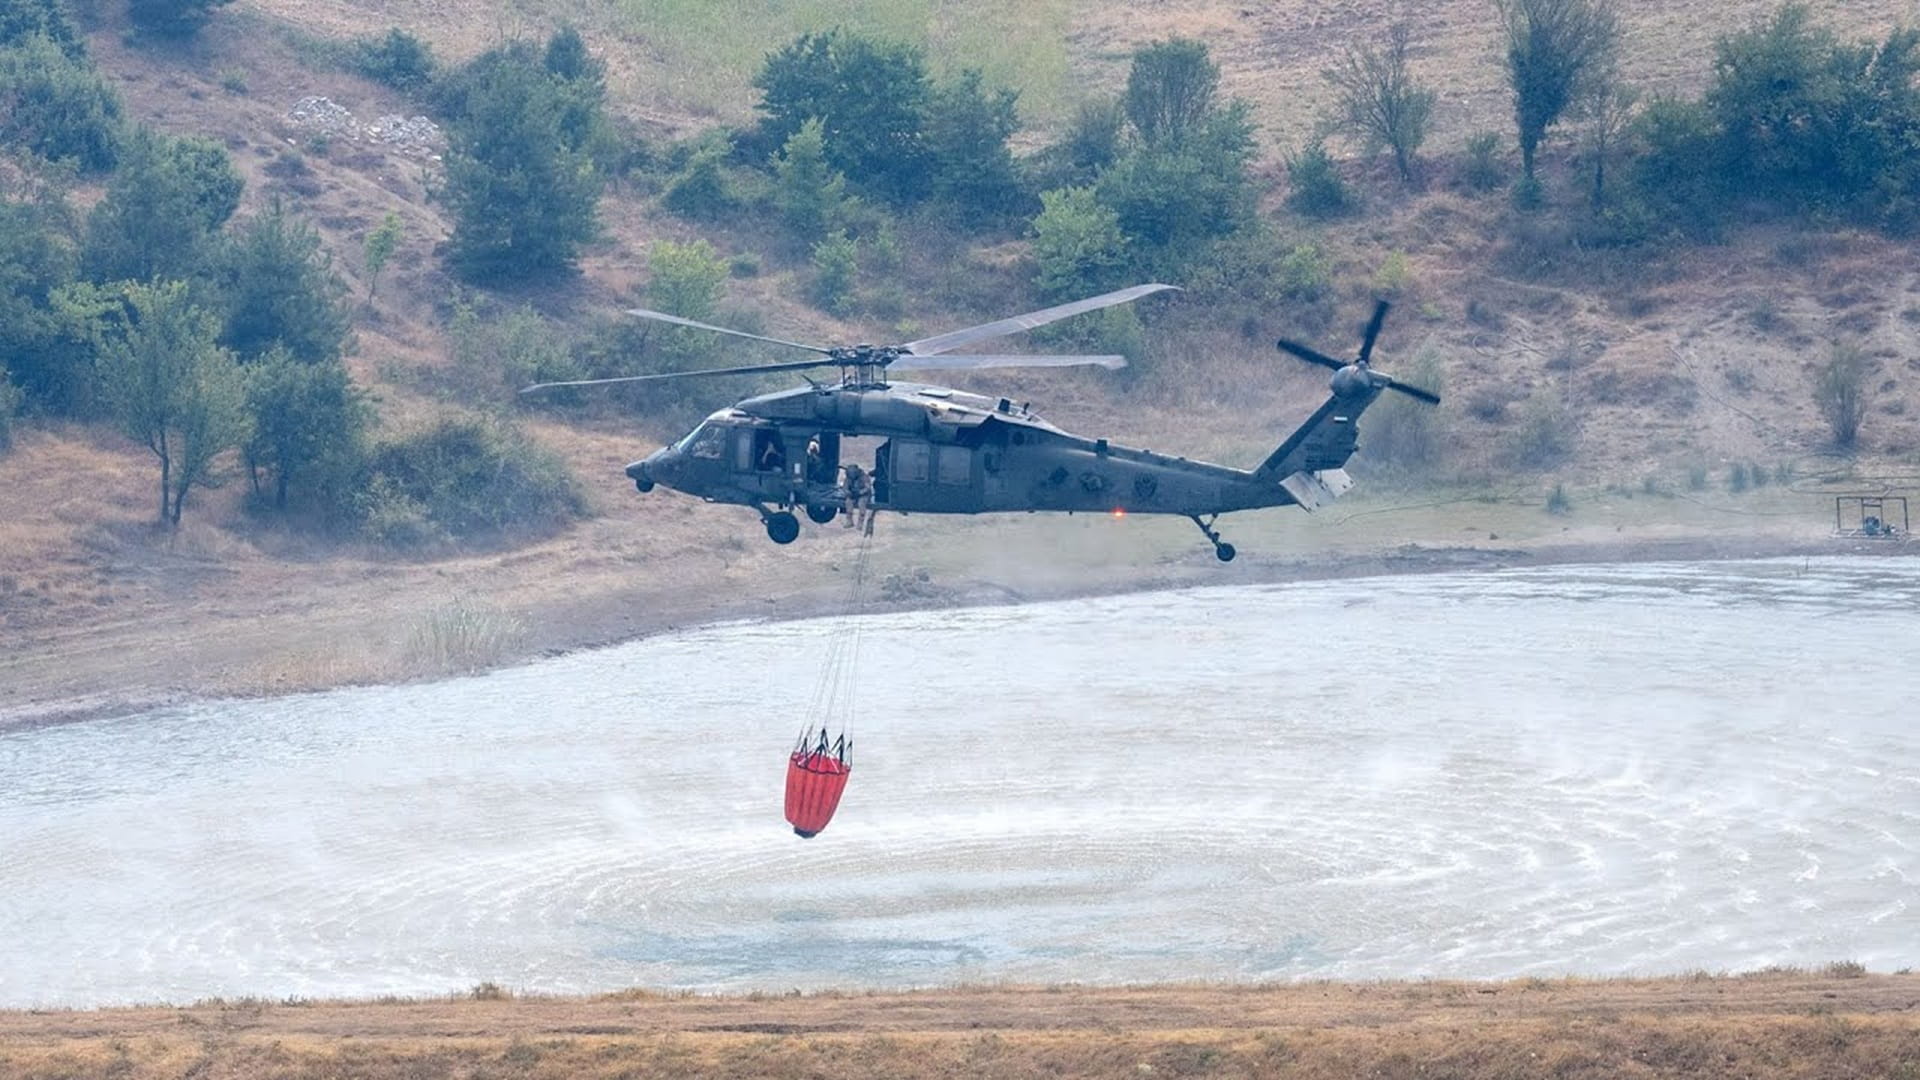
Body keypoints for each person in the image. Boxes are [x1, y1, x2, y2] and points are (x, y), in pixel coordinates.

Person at [842, 462, 870, 530]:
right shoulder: (848, 478)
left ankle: (860, 523)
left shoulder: (864, 476)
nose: (852, 475)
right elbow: (845, 487)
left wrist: (860, 492)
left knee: (861, 504)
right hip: (853, 494)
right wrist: (848, 493)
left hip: (863, 494)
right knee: (848, 502)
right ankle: (849, 521)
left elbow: (868, 488)